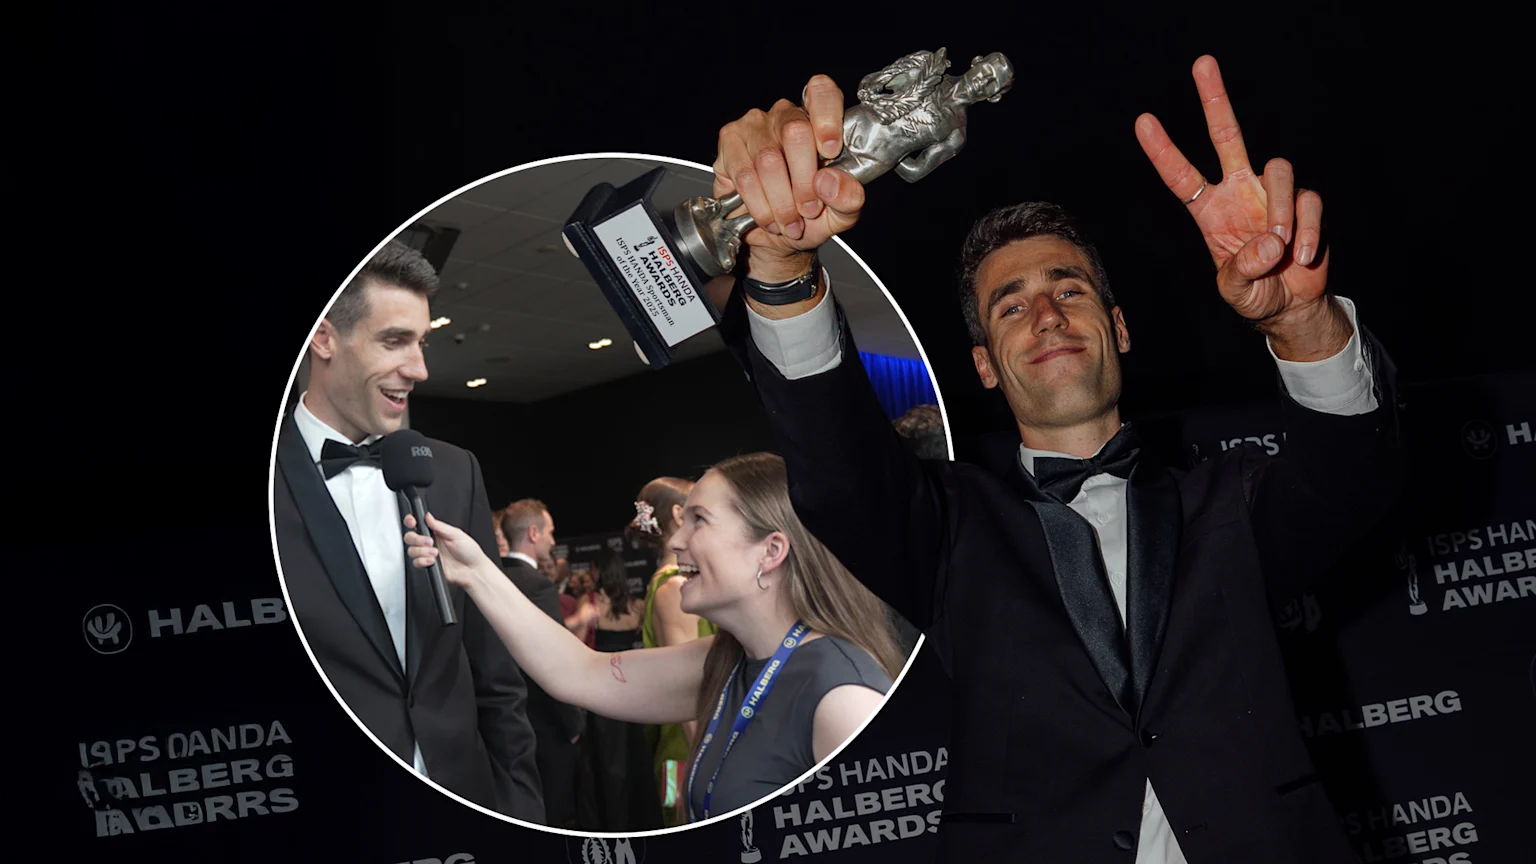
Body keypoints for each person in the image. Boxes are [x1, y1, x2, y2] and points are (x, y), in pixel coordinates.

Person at [703, 56, 1405, 862]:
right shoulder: (949, 532)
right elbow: (838, 473)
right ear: (984, 366)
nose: (1045, 314)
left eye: (1069, 290)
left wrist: (1302, 321)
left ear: (1119, 328)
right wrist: (783, 268)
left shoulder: (1233, 508)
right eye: (1010, 306)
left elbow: (1356, 474)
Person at [402, 452, 907, 822]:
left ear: (771, 551)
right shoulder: (727, 662)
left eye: (699, 521)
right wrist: (475, 572)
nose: (677, 539)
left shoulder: (843, 699)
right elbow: (580, 673)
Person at [271, 239, 544, 820]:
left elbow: (493, 669)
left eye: (422, 343)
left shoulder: (454, 470)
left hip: (466, 796)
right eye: (394, 341)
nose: (419, 369)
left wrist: (519, 806)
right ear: (324, 338)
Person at [630, 476, 719, 826]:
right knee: (682, 824)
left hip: (691, 746)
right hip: (685, 752)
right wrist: (708, 765)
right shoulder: (673, 589)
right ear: (679, 515)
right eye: (700, 513)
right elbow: (685, 685)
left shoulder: (673, 583)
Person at [499, 499, 584, 828]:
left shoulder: (493, 578)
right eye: (549, 532)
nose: (552, 540)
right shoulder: (536, 584)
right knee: (557, 817)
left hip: (501, 725)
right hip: (544, 727)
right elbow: (552, 660)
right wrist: (571, 724)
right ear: (533, 534)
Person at [580, 549, 663, 830]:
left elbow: (576, 645)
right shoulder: (637, 606)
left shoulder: (590, 603)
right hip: (631, 688)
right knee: (633, 755)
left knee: (603, 759)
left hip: (600, 687)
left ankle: (607, 825)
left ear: (600, 571)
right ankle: (639, 822)